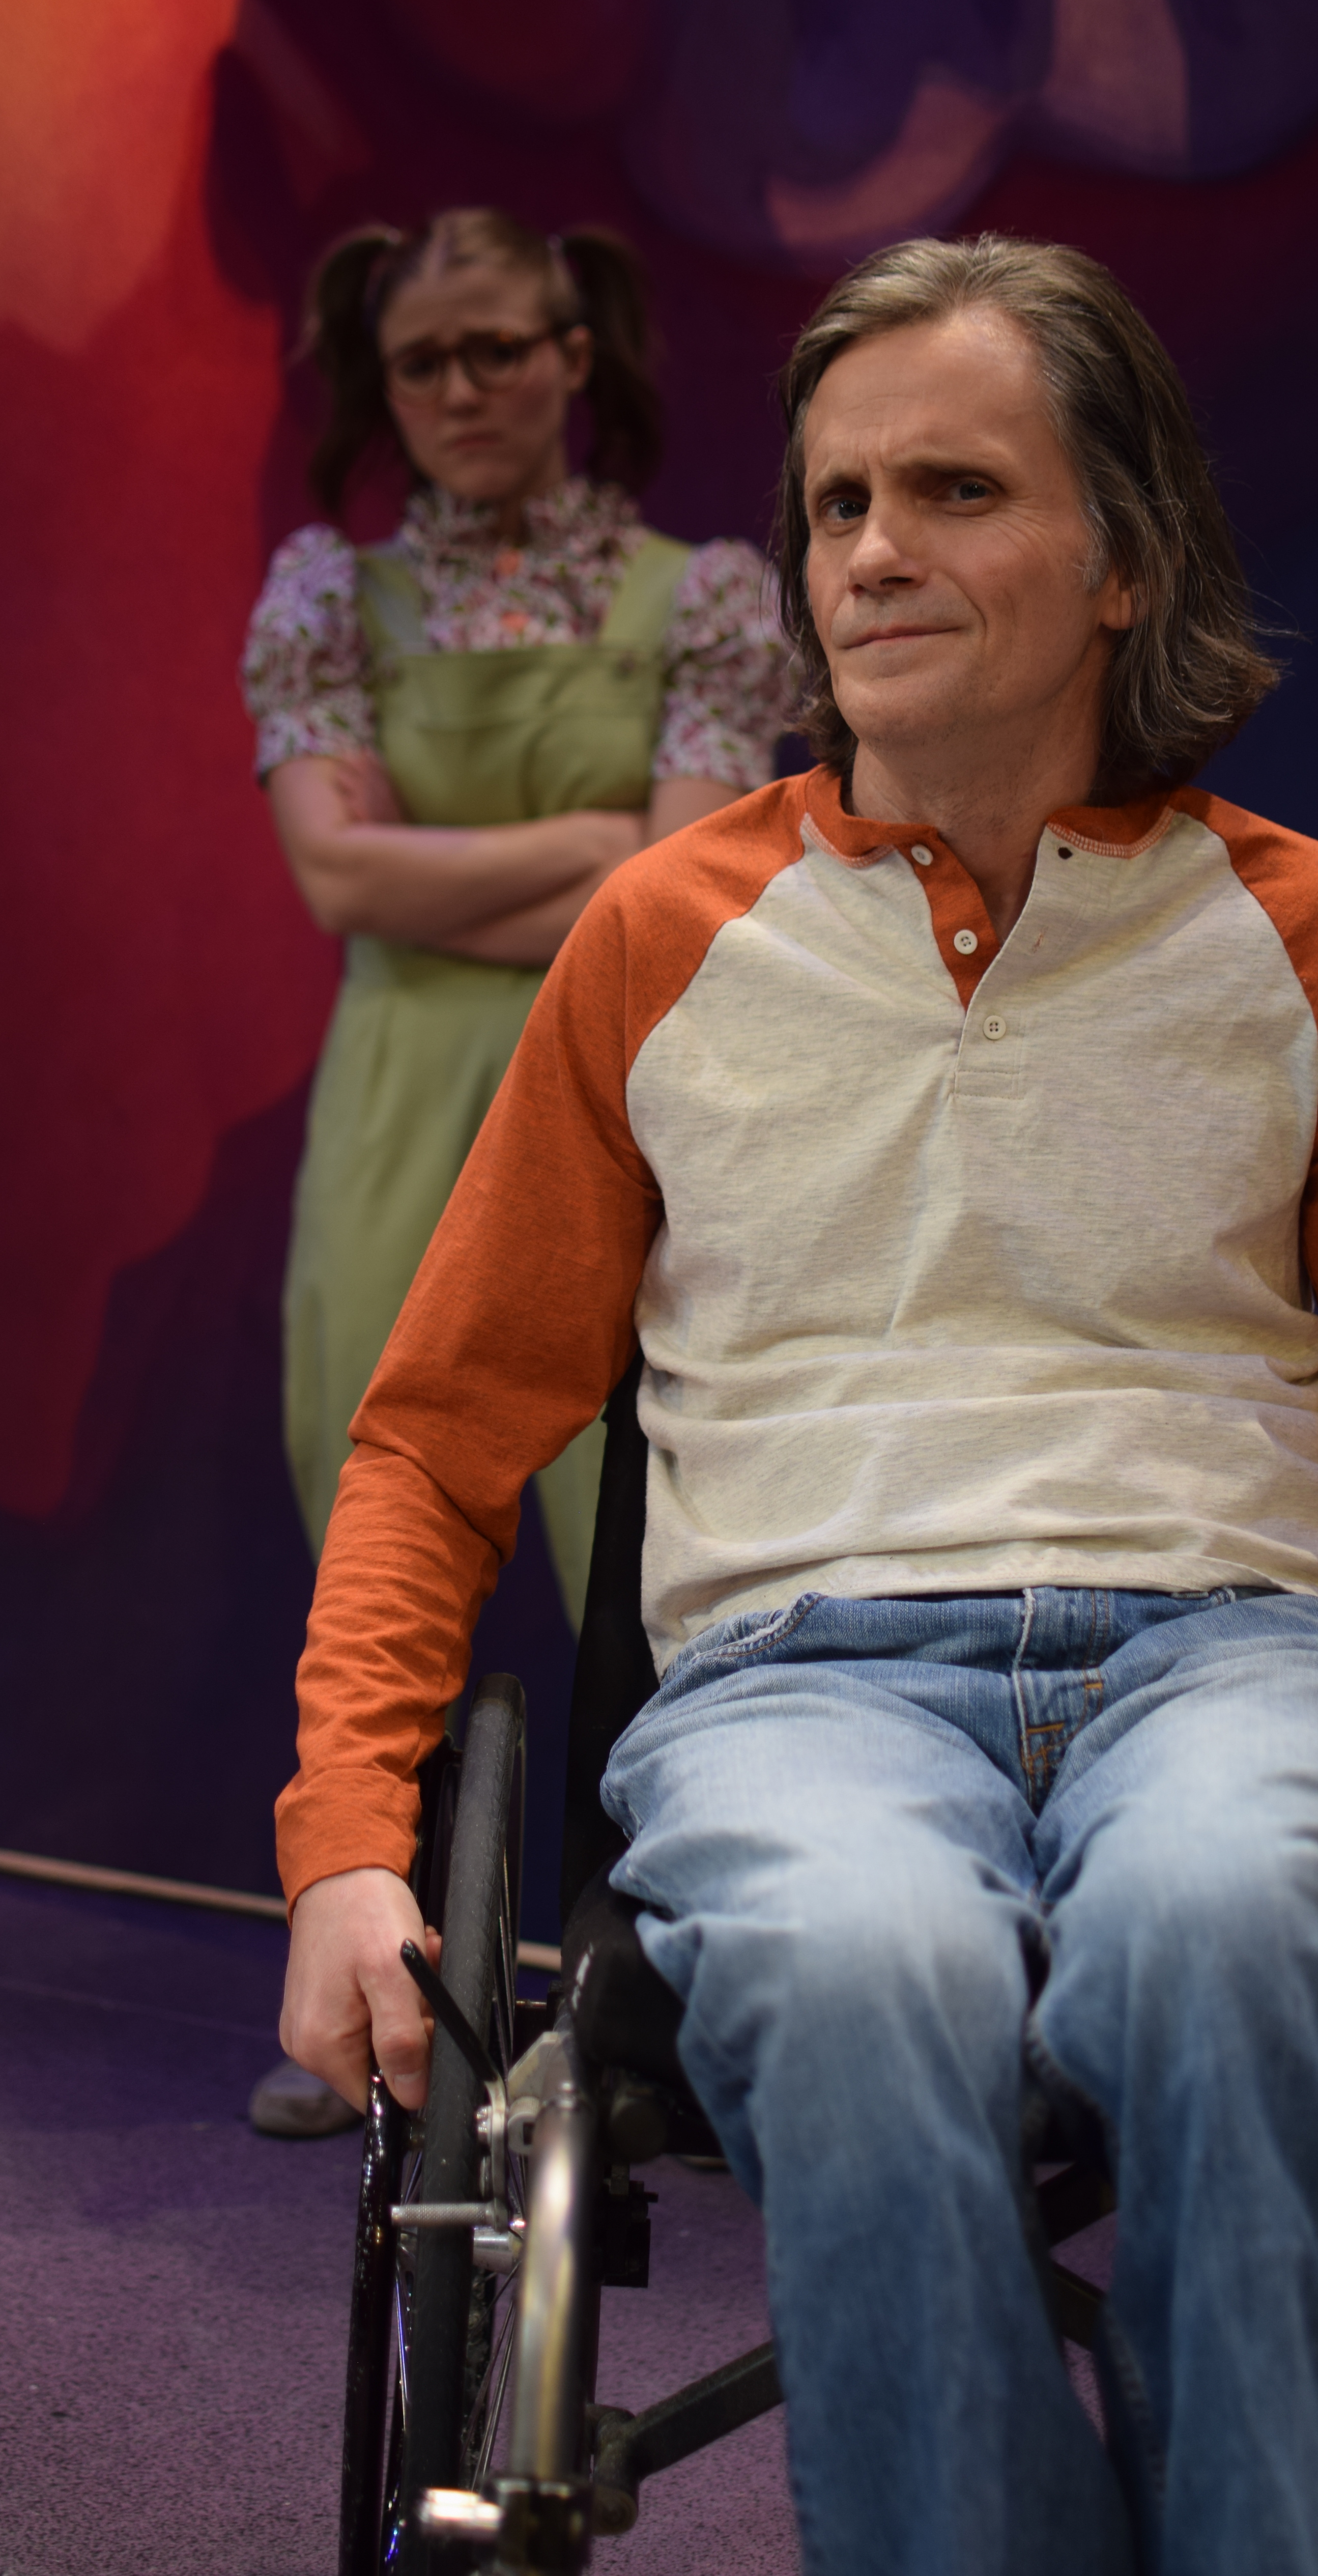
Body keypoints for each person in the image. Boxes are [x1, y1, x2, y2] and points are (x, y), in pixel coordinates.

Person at [272, 236, 1318, 2571]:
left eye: (953, 489)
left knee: (1222, 1926)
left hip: (1227, 1657)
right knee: (858, 1963)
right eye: (836, 502)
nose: (871, 550)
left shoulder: (1303, 937)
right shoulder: (661, 938)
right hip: (798, 1678)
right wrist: (344, 1842)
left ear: (1123, 559)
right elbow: (434, 1434)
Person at [240, 208, 785, 2136]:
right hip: (398, 1106)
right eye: (423, 360)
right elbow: (335, 875)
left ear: (575, 353)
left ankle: (670, 1993)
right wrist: (596, 841)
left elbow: (690, 885)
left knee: (649, 1535)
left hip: (638, 1079)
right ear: (380, 385)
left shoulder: (706, 594)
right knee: (375, 1504)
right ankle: (372, 1978)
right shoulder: (329, 597)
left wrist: (473, 867)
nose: (462, 388)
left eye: (499, 347)